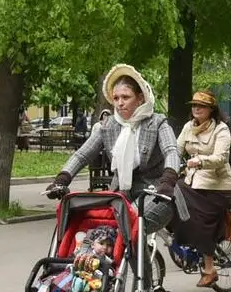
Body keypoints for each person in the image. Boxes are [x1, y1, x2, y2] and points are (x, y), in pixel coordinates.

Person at [45, 65, 180, 212]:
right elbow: (82, 155)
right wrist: (62, 180)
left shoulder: (157, 123)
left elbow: (171, 151)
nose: (120, 103)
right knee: (103, 225)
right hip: (121, 192)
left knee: (131, 219)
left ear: (140, 98)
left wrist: (168, 180)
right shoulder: (108, 126)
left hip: (157, 192)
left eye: (126, 97)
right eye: (116, 98)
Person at [175, 90, 231, 287]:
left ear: (211, 110)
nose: (196, 109)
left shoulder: (221, 130)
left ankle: (210, 268)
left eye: (201, 106)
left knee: (200, 220)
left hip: (217, 188)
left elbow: (220, 158)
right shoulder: (188, 127)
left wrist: (198, 161)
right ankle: (184, 243)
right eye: (193, 105)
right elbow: (176, 150)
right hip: (193, 183)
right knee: (168, 193)